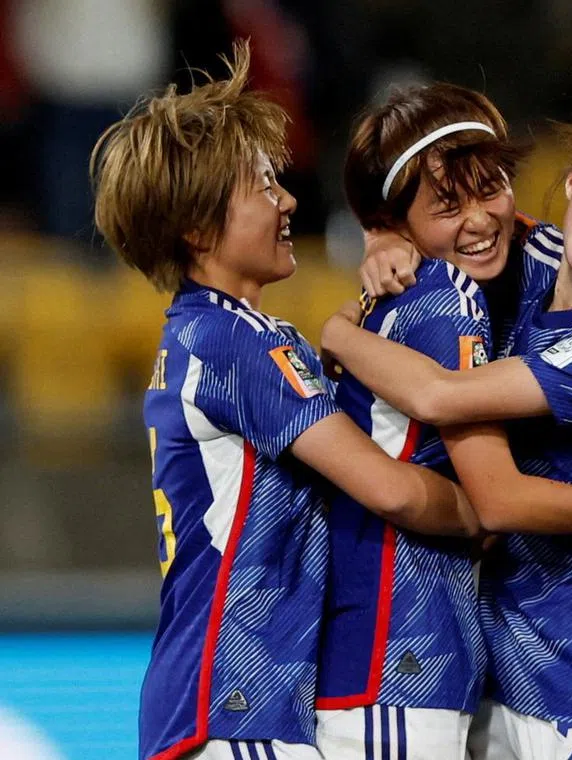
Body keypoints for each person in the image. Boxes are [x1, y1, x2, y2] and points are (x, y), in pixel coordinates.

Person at [319, 10, 572, 758]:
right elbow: (452, 209)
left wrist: (338, 331)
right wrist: (384, 235)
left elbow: (464, 440)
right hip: (500, 676)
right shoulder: (532, 252)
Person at [90, 42, 482, 760]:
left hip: (229, 701)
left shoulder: (219, 333)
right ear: (199, 227)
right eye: (265, 186)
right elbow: (389, 489)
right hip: (232, 705)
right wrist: (490, 508)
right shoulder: (234, 341)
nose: (289, 200)